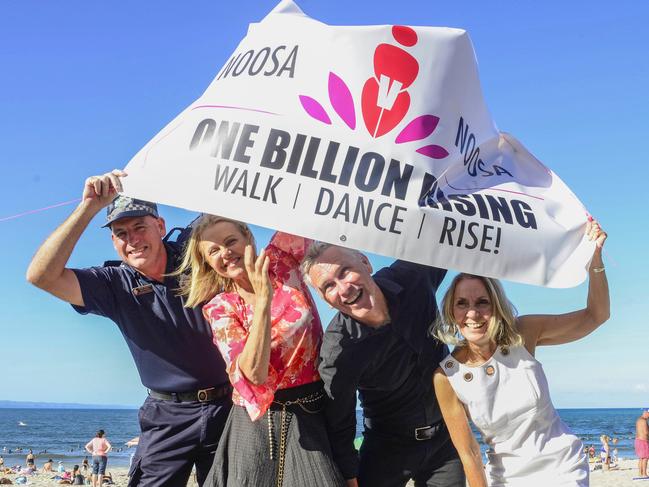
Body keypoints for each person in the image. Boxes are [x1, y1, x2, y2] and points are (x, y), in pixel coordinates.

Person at [26, 170, 232, 486]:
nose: (132, 239)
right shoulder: (113, 284)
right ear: (113, 242)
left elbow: (227, 202)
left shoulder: (195, 253)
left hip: (228, 407)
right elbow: (41, 276)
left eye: (139, 227)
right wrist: (88, 208)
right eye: (121, 233)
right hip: (167, 416)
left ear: (160, 227)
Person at [431, 220, 608, 486]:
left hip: (562, 468)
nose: (472, 314)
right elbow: (469, 454)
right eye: (462, 304)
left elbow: (596, 315)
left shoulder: (522, 333)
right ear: (451, 312)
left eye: (482, 302)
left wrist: (595, 259)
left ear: (496, 305)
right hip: (505, 477)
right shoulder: (446, 376)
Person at [177, 215, 344, 486]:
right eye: (213, 251)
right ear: (207, 263)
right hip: (254, 425)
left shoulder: (280, 259)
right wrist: (263, 300)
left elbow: (310, 212)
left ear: (248, 238)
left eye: (231, 241)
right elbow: (253, 375)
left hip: (312, 411)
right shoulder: (221, 308)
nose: (226, 252)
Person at [302, 245, 465, 487]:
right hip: (388, 448)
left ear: (365, 263)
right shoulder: (338, 352)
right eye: (329, 286)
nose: (344, 288)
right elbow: (340, 421)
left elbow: (445, 237)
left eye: (345, 271)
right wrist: (349, 477)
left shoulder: (413, 277)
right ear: (326, 300)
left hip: (446, 437)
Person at [636, 409, 649, 478]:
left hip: (638, 440)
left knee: (641, 458)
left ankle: (640, 473)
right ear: (646, 413)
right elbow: (646, 432)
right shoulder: (644, 421)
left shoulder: (639, 420)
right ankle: (644, 474)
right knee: (646, 458)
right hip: (643, 441)